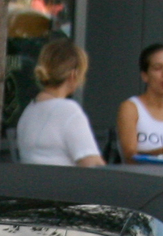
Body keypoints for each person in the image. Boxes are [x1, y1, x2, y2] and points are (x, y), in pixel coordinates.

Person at [16, 38, 103, 166]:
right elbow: (94, 165)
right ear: (73, 75)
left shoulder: (29, 111)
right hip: (64, 185)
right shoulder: (68, 110)